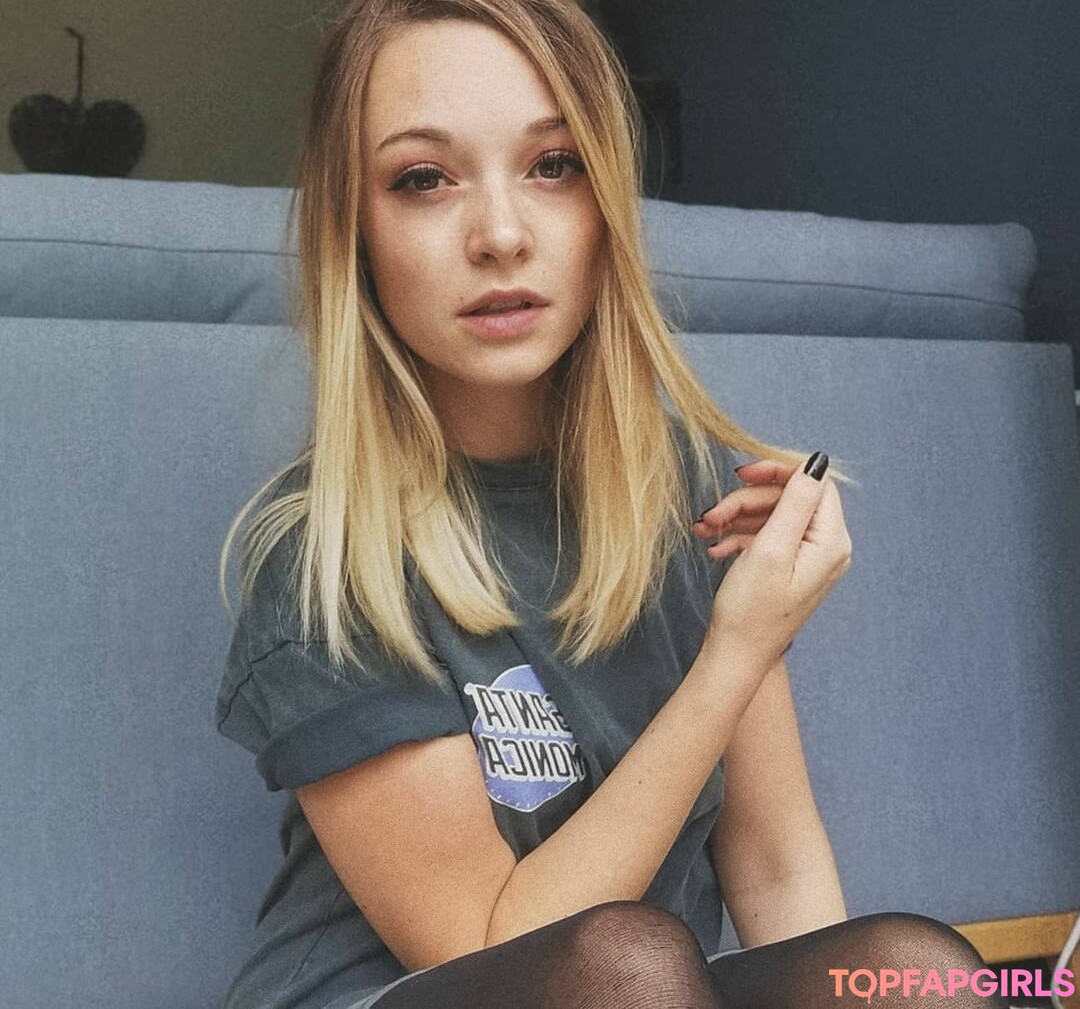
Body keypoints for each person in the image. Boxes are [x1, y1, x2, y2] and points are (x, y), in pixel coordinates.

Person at [213, 1, 1007, 1006]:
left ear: (607, 207)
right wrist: (734, 655)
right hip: (465, 990)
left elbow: (777, 874)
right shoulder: (325, 560)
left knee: (908, 974)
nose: (502, 235)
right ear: (357, 231)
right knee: (623, 965)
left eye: (554, 165)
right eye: (423, 179)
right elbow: (495, 949)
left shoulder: (690, 496)